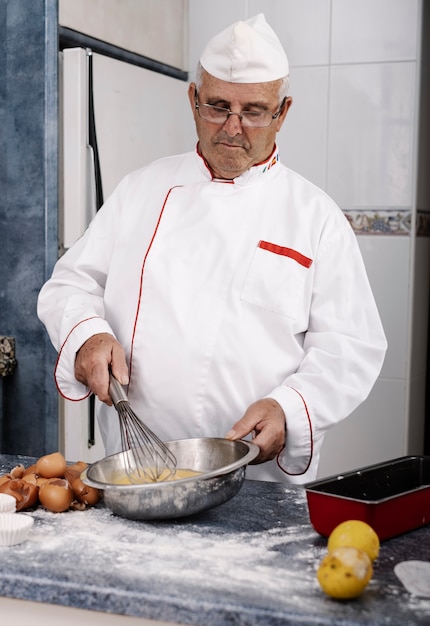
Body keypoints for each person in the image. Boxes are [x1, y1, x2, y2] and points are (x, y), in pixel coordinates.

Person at [37, 14, 387, 483]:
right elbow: (71, 284)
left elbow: (351, 346)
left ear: (282, 113)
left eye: (255, 111)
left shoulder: (316, 217)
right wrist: (87, 335)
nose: (233, 127)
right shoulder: (140, 191)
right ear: (193, 101)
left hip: (256, 482)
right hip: (138, 472)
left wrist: (290, 409)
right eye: (218, 106)